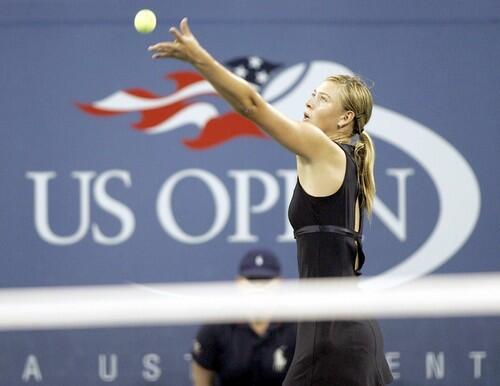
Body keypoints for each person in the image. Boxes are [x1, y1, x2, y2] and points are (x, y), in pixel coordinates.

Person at [149, 18, 393, 386]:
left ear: (345, 119)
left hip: (334, 336)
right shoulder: (342, 159)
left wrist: (200, 60)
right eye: (313, 93)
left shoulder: (325, 152)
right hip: (339, 332)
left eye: (323, 98)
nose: (311, 100)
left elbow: (251, 104)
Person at [190, 249, 297, 386]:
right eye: (252, 279)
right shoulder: (217, 325)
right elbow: (202, 372)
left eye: (266, 280)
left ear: (280, 282)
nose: (259, 287)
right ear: (239, 282)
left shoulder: (297, 327)